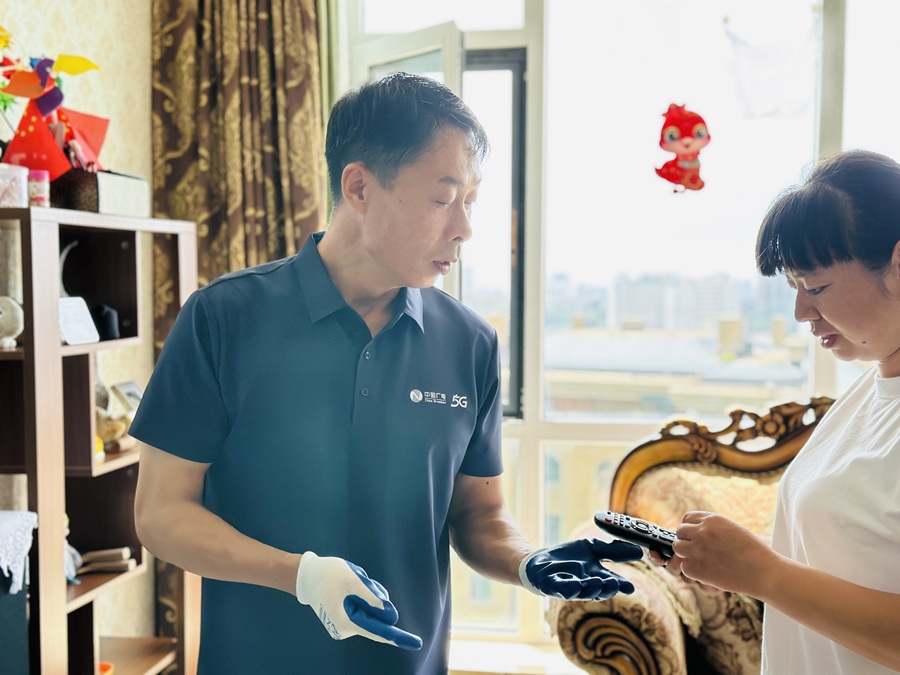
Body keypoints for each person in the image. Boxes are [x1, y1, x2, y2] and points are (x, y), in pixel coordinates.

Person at [131, 72, 642, 674]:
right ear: (359, 187)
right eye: (443, 199)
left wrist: (528, 562)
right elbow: (161, 514)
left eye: (471, 202)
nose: (464, 229)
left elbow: (478, 515)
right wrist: (301, 576)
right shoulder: (224, 318)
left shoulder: (470, 343)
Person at [664, 149, 900, 673]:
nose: (801, 312)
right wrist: (736, 560)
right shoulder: (871, 388)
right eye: (795, 289)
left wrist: (763, 573)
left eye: (816, 287)